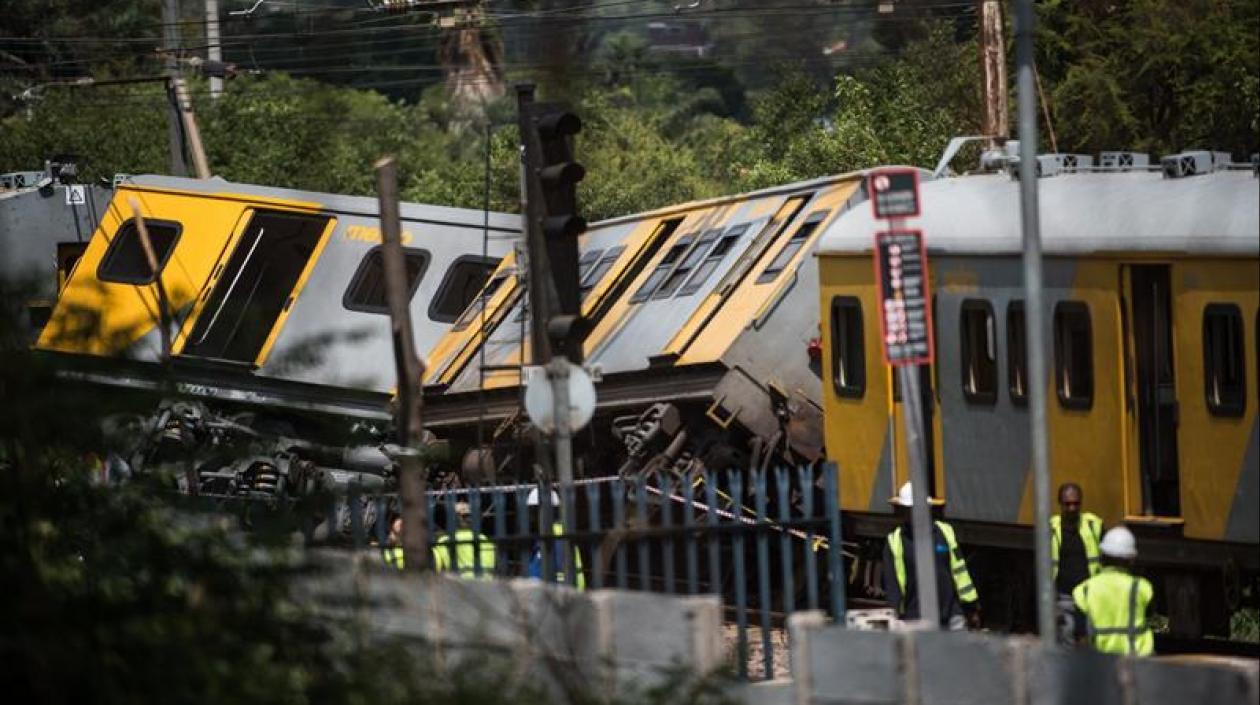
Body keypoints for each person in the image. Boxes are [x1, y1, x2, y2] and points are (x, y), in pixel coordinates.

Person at [882, 482, 980, 630]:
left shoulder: (945, 532)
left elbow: (960, 572)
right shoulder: (895, 541)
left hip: (950, 614)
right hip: (915, 617)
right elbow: (892, 584)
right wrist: (894, 615)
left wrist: (971, 606)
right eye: (910, 510)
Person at [1072, 526, 1153, 656]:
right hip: (1137, 663)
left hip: (1100, 664)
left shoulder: (1085, 590)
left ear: (1102, 557)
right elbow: (1157, 624)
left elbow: (1080, 635)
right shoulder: (1143, 588)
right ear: (1131, 560)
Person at [1051, 482, 1103, 644]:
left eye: (1076, 503)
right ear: (1060, 504)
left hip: (1089, 596)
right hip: (1065, 596)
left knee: (1091, 638)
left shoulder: (1093, 525)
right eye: (1067, 504)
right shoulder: (1051, 529)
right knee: (1066, 638)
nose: (1072, 508)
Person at [525, 486, 586, 589]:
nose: (531, 517)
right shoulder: (547, 537)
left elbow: (558, 578)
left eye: (533, 511)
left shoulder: (556, 539)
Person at [432, 500, 497, 579]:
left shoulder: (444, 541)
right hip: (488, 587)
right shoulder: (486, 540)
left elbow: (437, 567)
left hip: (460, 587)